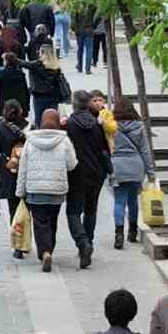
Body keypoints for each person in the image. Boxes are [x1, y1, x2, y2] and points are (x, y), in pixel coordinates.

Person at [15, 110, 79, 273]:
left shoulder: (30, 140)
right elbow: (72, 165)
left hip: (35, 190)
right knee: (52, 222)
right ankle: (49, 249)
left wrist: (20, 191)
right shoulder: (64, 140)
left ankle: (45, 251)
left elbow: (23, 168)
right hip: (57, 191)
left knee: (40, 223)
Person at [64, 91, 112, 270]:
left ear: (74, 104)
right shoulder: (97, 123)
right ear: (88, 104)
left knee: (73, 211)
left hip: (76, 174)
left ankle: (83, 243)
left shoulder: (69, 124)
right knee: (91, 209)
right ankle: (88, 241)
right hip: (97, 173)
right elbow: (105, 147)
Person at [108, 96, 155, 249]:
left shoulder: (111, 125)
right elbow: (145, 151)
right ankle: (133, 232)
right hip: (136, 166)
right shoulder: (139, 126)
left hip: (117, 166)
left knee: (119, 201)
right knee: (133, 201)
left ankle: (118, 234)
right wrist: (151, 172)